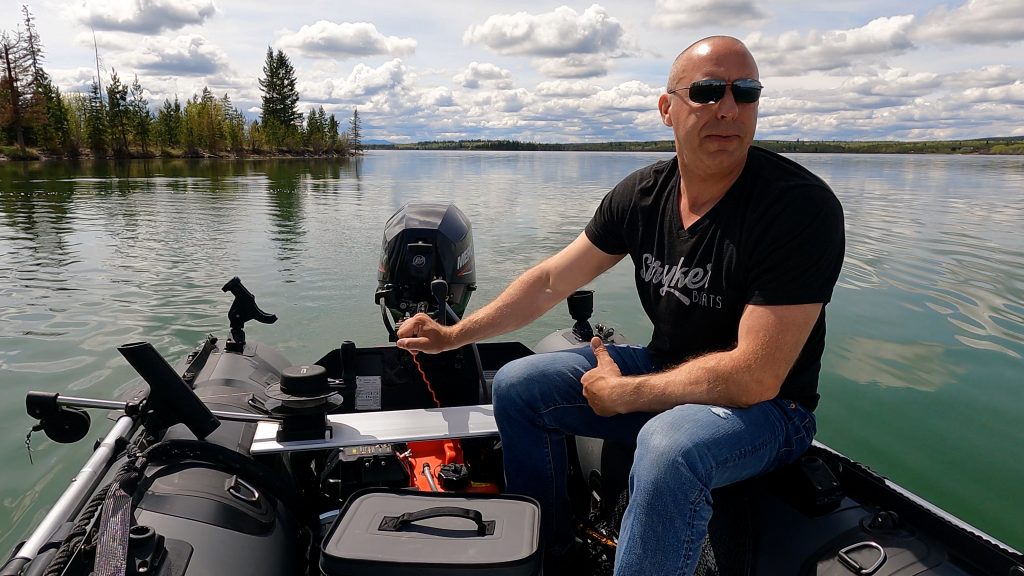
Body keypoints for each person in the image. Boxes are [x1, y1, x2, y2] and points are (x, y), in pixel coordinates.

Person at [396, 35, 845, 576]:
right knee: (516, 387)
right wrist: (455, 334)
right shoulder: (642, 195)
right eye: (705, 91)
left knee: (668, 444)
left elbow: (756, 376)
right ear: (667, 108)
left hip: (771, 413)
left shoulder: (797, 208)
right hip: (666, 369)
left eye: (745, 92)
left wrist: (627, 394)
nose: (728, 107)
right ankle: (548, 552)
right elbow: (548, 282)